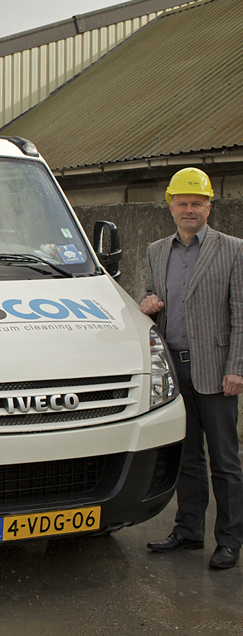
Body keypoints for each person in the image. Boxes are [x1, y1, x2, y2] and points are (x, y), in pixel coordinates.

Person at [140, 167, 243, 570]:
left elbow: (240, 315)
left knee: (225, 461)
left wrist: (236, 368)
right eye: (182, 203)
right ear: (170, 206)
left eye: (196, 203)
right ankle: (188, 530)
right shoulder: (156, 251)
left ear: (209, 207)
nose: (189, 209)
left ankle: (229, 540)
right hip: (174, 369)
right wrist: (146, 302)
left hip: (217, 372)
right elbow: (153, 298)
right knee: (186, 457)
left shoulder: (233, 249)